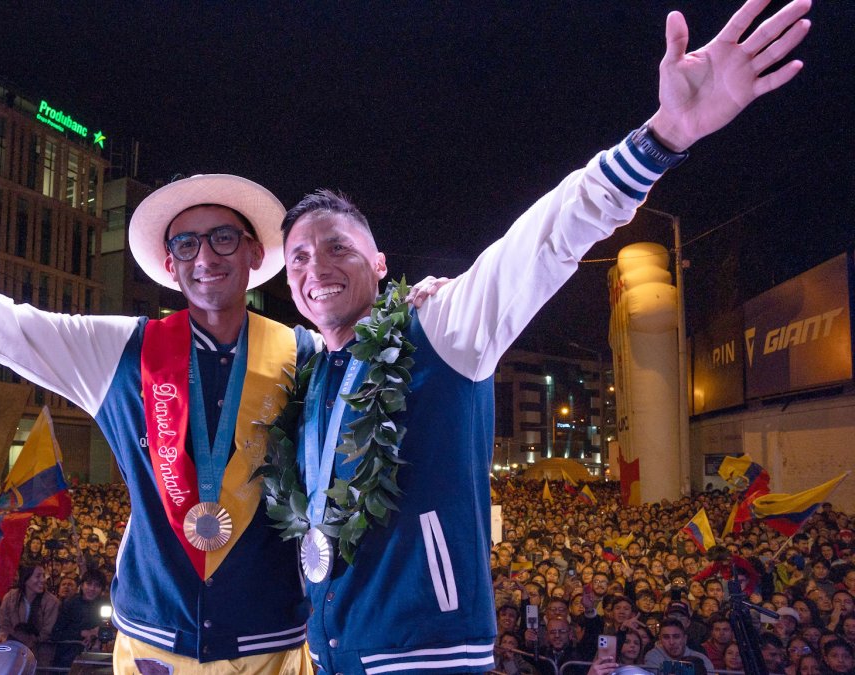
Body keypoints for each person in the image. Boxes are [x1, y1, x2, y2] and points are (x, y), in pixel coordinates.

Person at [274, 0, 812, 671]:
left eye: (337, 247)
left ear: (380, 264)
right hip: (327, 655)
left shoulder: (438, 327)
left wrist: (665, 134)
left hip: (428, 656)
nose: (317, 268)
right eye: (298, 257)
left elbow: (547, 238)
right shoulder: (305, 377)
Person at [0, 172, 445, 671]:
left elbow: (381, 375)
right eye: (186, 243)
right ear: (169, 263)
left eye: (223, 238)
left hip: (271, 649)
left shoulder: (305, 354)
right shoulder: (121, 350)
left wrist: (421, 312)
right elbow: (0, 324)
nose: (206, 256)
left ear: (253, 253)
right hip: (152, 647)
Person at [644, 622, 715, 674]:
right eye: (666, 637)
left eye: (676, 637)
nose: (671, 642)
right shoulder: (652, 656)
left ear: (685, 639)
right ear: (660, 640)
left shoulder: (701, 658)